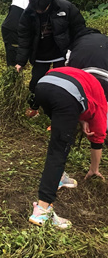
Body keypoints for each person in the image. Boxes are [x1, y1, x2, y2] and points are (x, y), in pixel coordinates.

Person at [28, 67, 107, 228]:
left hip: (43, 86)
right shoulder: (102, 105)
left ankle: (59, 177)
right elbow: (97, 139)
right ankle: (43, 210)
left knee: (59, 137)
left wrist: (82, 119)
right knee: (59, 149)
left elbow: (72, 94)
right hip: (64, 97)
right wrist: (94, 169)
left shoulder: (86, 80)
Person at [15, 0, 86, 117]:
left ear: (49, 2)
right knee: (36, 82)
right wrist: (20, 61)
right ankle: (34, 108)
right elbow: (24, 38)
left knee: (62, 84)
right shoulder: (28, 13)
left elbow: (79, 29)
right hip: (40, 55)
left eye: (42, 9)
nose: (39, 11)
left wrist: (76, 51)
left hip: (61, 54)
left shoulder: (65, 8)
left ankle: (58, 113)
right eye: (36, 9)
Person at [1, 0, 62, 67]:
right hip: (17, 27)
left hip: (8, 27)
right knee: (16, 62)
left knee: (12, 59)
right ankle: (15, 78)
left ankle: (14, 76)